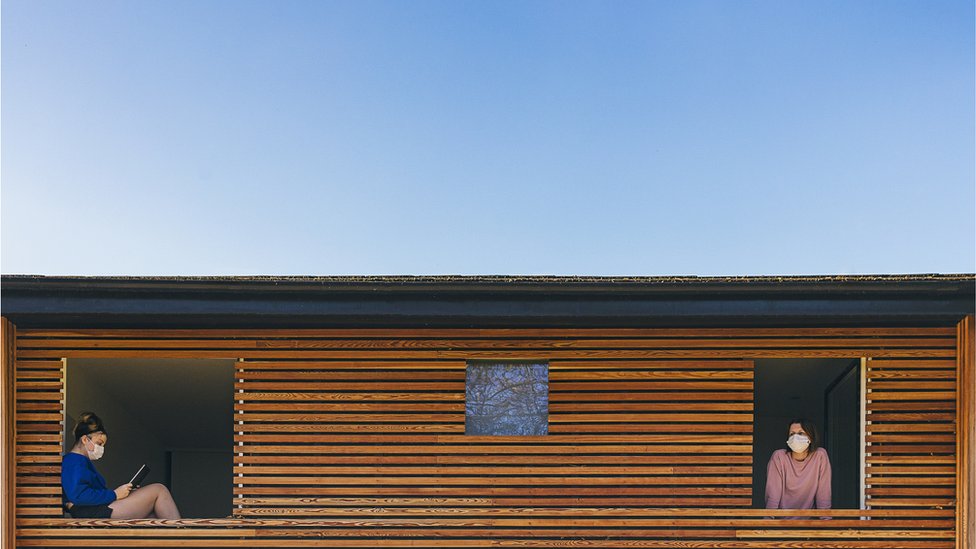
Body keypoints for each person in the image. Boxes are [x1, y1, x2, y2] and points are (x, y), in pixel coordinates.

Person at [61, 412, 181, 519]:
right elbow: (78, 495)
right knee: (159, 489)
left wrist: (121, 493)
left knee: (155, 515)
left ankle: (178, 539)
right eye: (99, 443)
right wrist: (115, 494)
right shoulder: (73, 461)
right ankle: (183, 538)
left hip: (98, 509)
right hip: (95, 512)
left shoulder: (79, 461)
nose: (101, 449)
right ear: (85, 440)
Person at [765, 418, 832, 511]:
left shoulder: (820, 455)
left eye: (801, 433)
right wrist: (769, 522)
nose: (795, 437)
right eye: (792, 434)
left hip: (809, 523)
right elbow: (773, 493)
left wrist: (826, 522)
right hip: (781, 521)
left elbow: (823, 493)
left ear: (811, 437)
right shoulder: (779, 457)